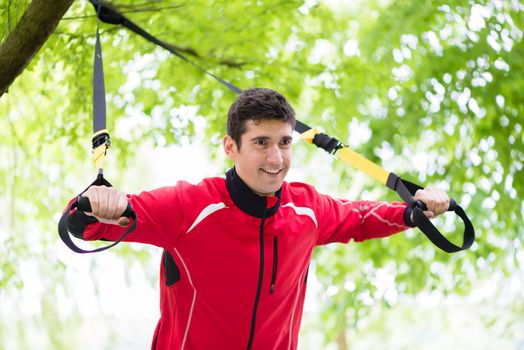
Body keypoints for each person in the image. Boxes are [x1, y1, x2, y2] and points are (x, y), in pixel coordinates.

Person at [65, 88, 450, 350]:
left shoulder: (307, 210)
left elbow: (361, 218)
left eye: (284, 142)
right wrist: (94, 202)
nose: (276, 158)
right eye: (261, 143)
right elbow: (82, 223)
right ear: (231, 147)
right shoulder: (191, 207)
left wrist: (414, 211)